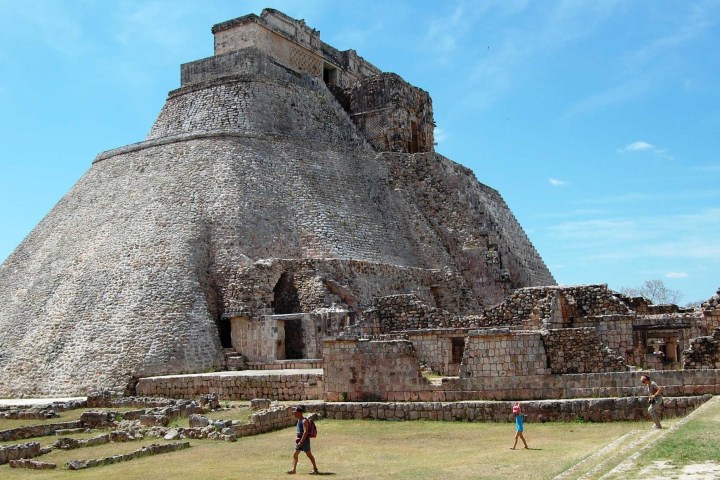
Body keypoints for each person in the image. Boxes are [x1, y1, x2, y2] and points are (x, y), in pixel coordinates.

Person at [288, 405, 319, 475]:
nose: (294, 413)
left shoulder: (304, 421)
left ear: (299, 413)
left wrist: (301, 442)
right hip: (299, 440)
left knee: (309, 455)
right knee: (295, 454)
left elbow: (305, 432)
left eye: (295, 412)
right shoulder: (299, 420)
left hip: (304, 441)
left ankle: (315, 468)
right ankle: (293, 470)